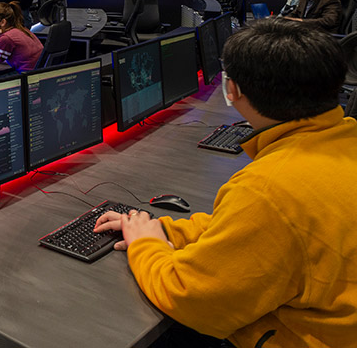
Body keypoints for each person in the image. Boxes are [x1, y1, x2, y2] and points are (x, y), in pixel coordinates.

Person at [93, 20, 357, 348]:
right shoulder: (345, 139)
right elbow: (249, 230)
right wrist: (162, 228)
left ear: (232, 91)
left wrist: (146, 245)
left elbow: (189, 297)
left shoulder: (268, 190)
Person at [0, 1, 43, 73]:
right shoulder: (21, 29)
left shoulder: (6, 38)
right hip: (37, 74)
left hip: (26, 78)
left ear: (3, 22)